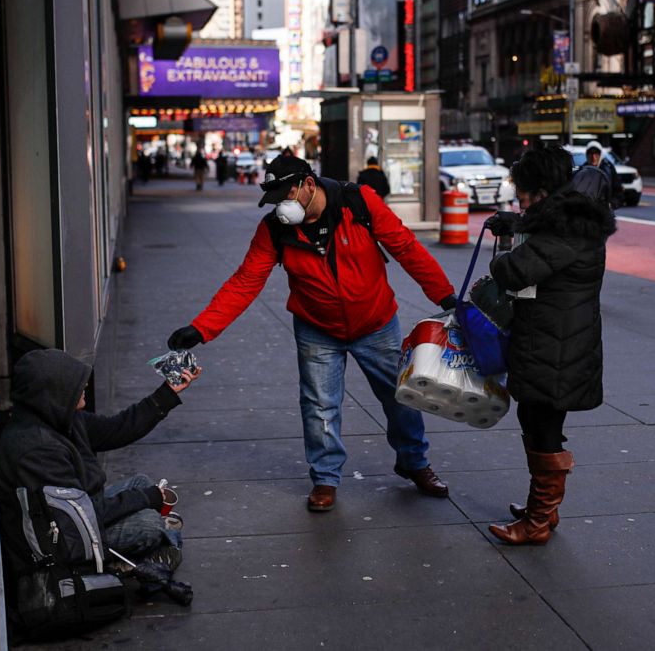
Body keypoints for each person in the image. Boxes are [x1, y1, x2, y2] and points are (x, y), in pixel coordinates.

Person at [167, 155, 456, 512]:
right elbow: (245, 281)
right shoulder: (275, 229)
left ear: (308, 183)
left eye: (286, 195)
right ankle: (325, 478)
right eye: (275, 200)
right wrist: (201, 327)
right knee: (319, 405)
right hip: (316, 328)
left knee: (401, 397)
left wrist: (445, 296)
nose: (281, 206)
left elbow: (406, 248)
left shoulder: (359, 201)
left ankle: (414, 461)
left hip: (376, 322)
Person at [484, 143, 616, 545]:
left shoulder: (564, 229)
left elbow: (514, 270)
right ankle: (544, 509)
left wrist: (503, 252)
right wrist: (513, 222)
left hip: (556, 346)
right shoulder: (568, 219)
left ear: (541, 189)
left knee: (541, 425)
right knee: (539, 422)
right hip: (556, 341)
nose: (519, 199)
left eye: (523, 192)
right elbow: (537, 228)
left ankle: (538, 521)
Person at [0, 349, 201, 572]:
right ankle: (150, 549)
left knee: (141, 482)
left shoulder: (60, 418)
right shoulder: (36, 450)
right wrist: (148, 499)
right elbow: (81, 516)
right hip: (63, 537)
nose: (85, 387)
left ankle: (159, 546)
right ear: (55, 392)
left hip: (81, 506)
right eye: (76, 384)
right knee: (149, 524)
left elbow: (118, 428)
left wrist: (167, 393)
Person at [583, 140, 623, 209]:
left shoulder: (608, 169)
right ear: (586, 155)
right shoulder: (583, 170)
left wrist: (611, 204)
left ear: (600, 155)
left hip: (604, 209)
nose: (593, 157)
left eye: (596, 154)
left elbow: (618, 192)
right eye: (590, 154)